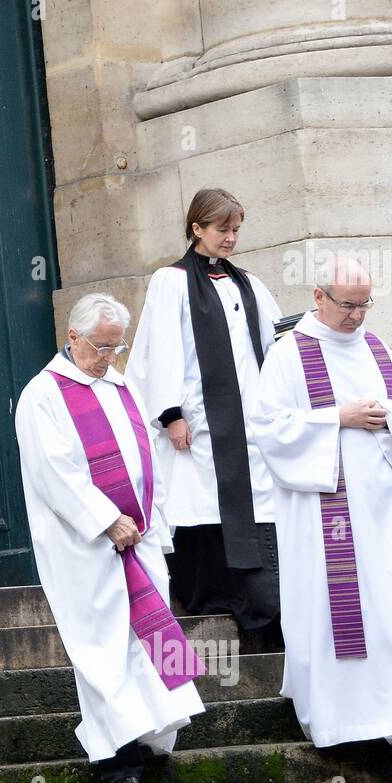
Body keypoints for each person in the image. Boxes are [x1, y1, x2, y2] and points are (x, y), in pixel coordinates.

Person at [249, 257, 392, 782]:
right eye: (347, 304)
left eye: (364, 304)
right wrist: (338, 417)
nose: (357, 316)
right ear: (319, 295)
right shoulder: (290, 355)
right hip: (324, 523)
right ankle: (358, 738)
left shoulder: (378, 349)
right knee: (344, 624)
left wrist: (384, 416)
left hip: (384, 521)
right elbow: (267, 429)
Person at [15, 292, 206, 783]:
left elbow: (149, 461)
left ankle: (150, 740)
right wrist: (105, 521)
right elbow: (53, 472)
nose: (108, 359)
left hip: (139, 539)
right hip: (85, 546)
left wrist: (154, 525)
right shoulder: (43, 395)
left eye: (116, 349)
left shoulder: (124, 387)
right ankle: (117, 766)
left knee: (148, 645)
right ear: (72, 337)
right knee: (103, 653)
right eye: (100, 348)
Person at [126, 188, 284, 640]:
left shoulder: (247, 283)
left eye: (236, 230)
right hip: (196, 423)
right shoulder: (171, 281)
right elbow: (157, 350)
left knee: (253, 506)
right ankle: (207, 596)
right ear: (197, 228)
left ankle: (259, 606)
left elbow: (274, 343)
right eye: (222, 230)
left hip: (249, 423)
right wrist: (170, 413)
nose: (231, 238)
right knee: (198, 506)